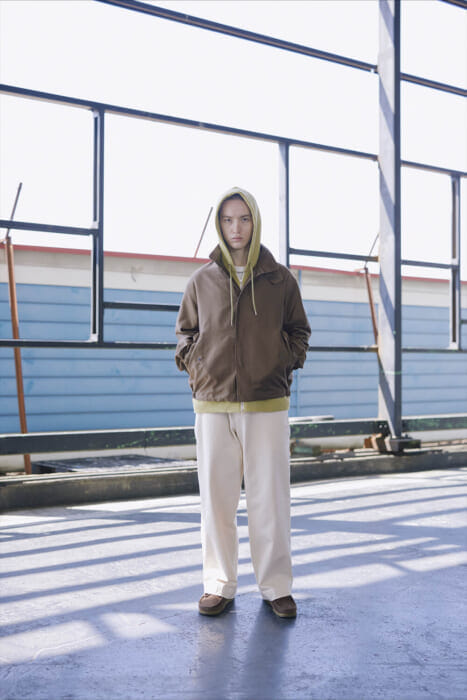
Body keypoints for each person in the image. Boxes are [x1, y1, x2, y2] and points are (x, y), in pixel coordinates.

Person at [175, 186, 311, 618]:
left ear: (255, 221)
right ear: (220, 224)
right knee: (216, 501)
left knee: (270, 499)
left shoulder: (280, 279)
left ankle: (276, 587)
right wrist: (197, 368)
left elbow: (299, 332)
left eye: (244, 218)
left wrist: (282, 363)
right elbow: (186, 335)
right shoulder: (201, 281)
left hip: (267, 403)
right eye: (228, 219)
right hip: (212, 403)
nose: (236, 228)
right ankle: (219, 583)